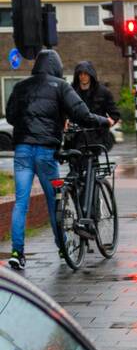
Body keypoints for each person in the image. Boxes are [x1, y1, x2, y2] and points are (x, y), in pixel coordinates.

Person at [5, 50, 110, 270]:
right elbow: (81, 113)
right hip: (45, 152)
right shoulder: (60, 86)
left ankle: (17, 253)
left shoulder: (20, 86)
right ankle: (62, 247)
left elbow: (12, 116)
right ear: (57, 67)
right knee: (55, 203)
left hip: (22, 150)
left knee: (21, 203)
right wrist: (103, 121)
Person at [71, 60, 120, 145]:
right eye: (80, 74)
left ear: (90, 75)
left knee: (94, 156)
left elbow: (114, 114)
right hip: (77, 136)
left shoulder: (103, 92)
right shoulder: (71, 91)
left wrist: (108, 123)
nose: (83, 77)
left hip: (97, 135)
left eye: (85, 74)